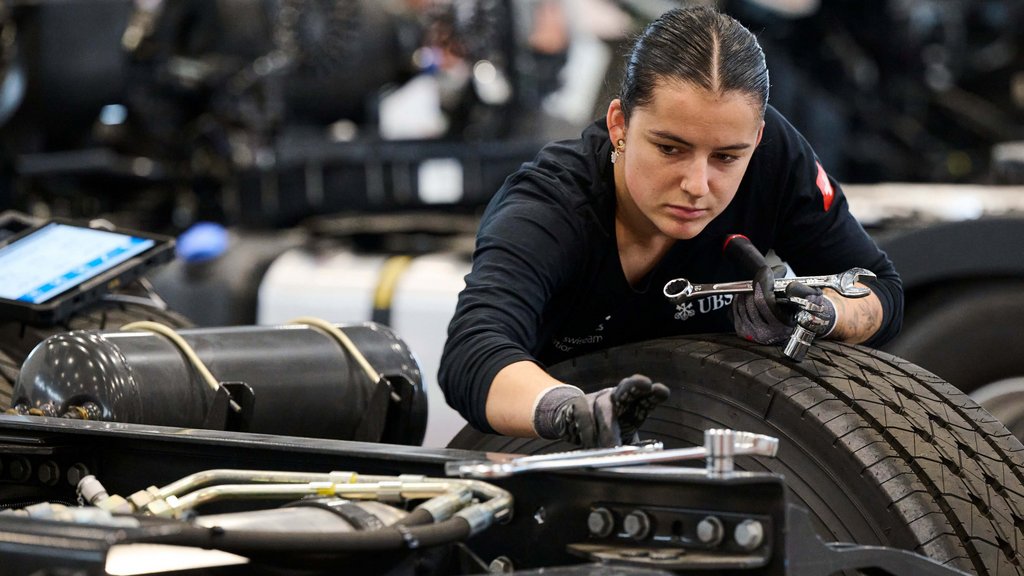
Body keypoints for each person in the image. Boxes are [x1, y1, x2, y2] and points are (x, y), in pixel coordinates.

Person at [438, 5, 902, 449]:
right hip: (555, 446)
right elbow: (472, 352)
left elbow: (880, 289)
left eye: (726, 157)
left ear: (756, 140)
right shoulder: (552, 205)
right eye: (670, 149)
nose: (697, 185)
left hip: (714, 424)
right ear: (620, 124)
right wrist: (569, 410)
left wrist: (820, 313)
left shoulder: (775, 159)